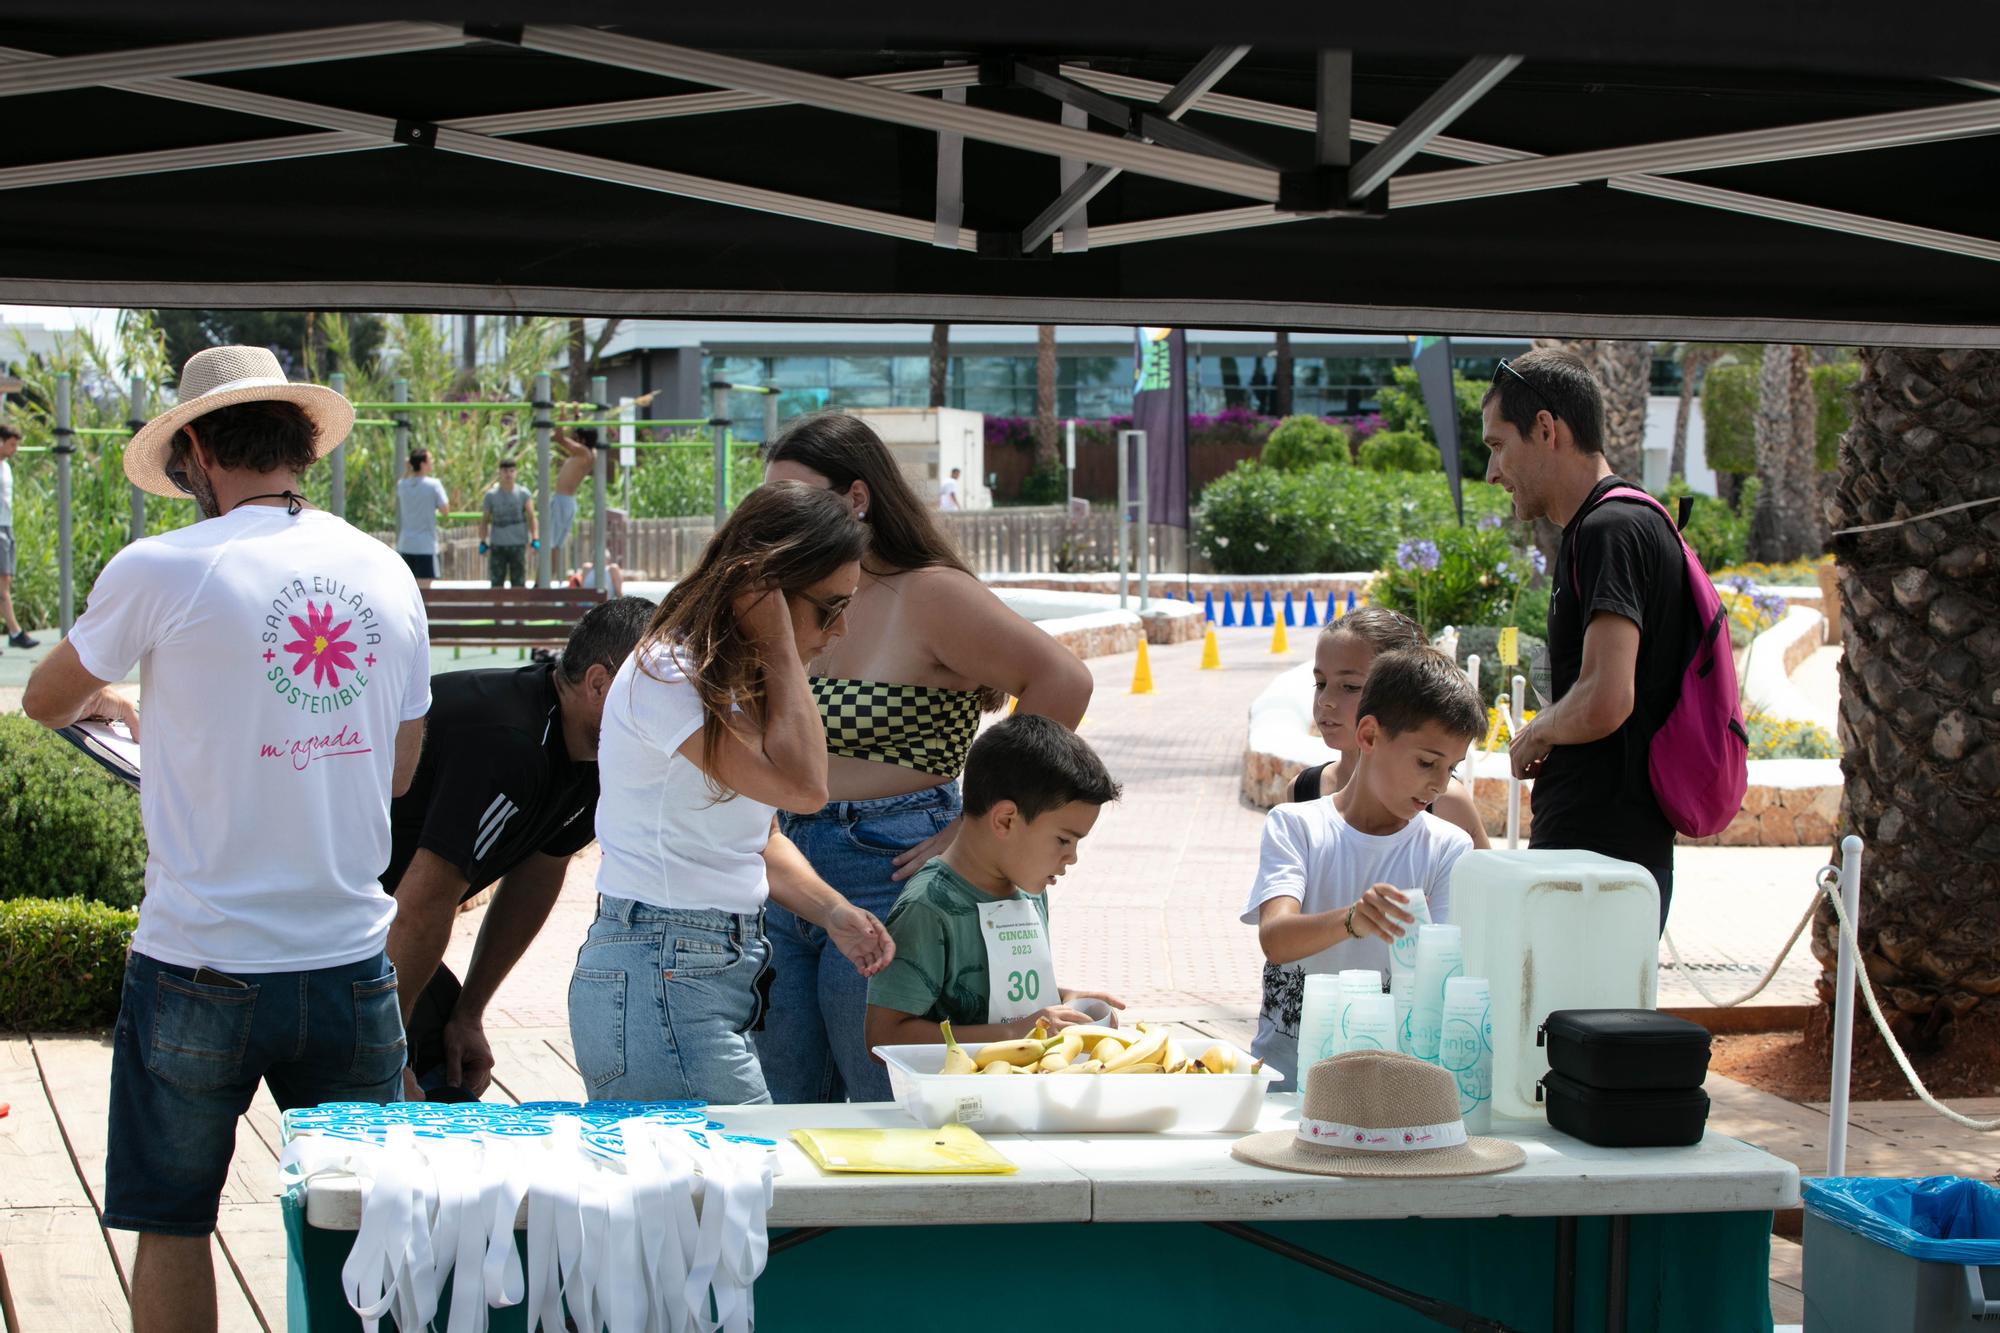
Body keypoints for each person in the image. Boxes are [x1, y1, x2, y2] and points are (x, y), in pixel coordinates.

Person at [21, 346, 430, 1333]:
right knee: (364, 1220)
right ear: (298, 440)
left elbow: (44, 700)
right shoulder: (382, 568)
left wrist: (128, 701)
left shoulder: (163, 566)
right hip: (348, 959)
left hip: (198, 960)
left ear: (196, 449)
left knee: (172, 1222)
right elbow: (401, 770)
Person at [758, 411, 1093, 1103]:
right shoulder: (790, 597)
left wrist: (964, 826)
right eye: (771, 500)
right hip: (784, 866)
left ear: (857, 497)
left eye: (798, 497)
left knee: (889, 1097)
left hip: (890, 859)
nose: (778, 516)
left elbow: (1064, 678)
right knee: (782, 1100)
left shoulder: (928, 591)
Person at [570, 480, 895, 1105]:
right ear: (760, 590)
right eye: (828, 607)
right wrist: (778, 644)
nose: (842, 628)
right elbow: (804, 789)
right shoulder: (669, 674)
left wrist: (833, 912)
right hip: (663, 968)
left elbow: (759, 834)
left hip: (695, 970)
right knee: (748, 1186)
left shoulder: (724, 680)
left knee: (726, 1192)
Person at [383, 595, 654, 1100]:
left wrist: (469, 1012)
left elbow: (537, 876)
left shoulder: (598, 754)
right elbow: (423, 904)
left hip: (379, 916)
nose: (676, 713)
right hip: (307, 917)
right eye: (662, 694)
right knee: (431, 1090)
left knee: (452, 1075)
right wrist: (389, 1055)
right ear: (599, 684)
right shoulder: (512, 741)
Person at [1481, 349, 1691, 923]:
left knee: (1566, 1013)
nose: (1492, 472)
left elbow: (1607, 697)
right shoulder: (1606, 526)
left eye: (1498, 446)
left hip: (1599, 851)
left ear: (1546, 429)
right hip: (1606, 849)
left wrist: (1535, 732)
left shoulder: (1611, 529)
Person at [1244, 648, 1484, 1090]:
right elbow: (1276, 940)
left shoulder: (1448, 847)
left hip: (1390, 1087)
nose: (1438, 783)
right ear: (1370, 736)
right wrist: (1353, 920)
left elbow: (1447, 981)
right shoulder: (1296, 826)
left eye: (1450, 769)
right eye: (1426, 762)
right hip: (1287, 1080)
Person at [864, 714, 1124, 1049]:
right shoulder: (927, 906)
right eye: (1063, 840)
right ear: (1005, 820)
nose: (1072, 857)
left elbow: (995, 995)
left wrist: (1063, 1001)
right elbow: (883, 1037)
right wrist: (1016, 1034)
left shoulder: (1028, 889)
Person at [1291, 607, 1488, 849]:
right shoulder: (1304, 791)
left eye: (1350, 686)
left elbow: (1483, 885)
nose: (1325, 700)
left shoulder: (1445, 803)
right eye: (1321, 683)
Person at [0, 424, 37, 648]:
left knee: (6, 583)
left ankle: (14, 633)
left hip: (7, 525)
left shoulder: (6, 467)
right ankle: (15, 631)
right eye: (12, 444)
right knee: (2, 585)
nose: (15, 449)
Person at [395, 449, 451, 587]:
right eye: (430, 460)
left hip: (405, 544)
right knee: (425, 592)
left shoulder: (403, 485)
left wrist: (408, 469)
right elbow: (445, 510)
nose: (432, 463)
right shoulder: (434, 485)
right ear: (423, 463)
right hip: (426, 546)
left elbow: (401, 481)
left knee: (406, 588)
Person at [479, 459, 537, 588]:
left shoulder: (523, 493)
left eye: (512, 471)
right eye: (505, 471)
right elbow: (485, 520)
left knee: (519, 583)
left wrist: (535, 539)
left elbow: (531, 517)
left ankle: (519, 609)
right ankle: (497, 608)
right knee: (496, 585)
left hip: (518, 545)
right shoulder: (491, 496)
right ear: (499, 472)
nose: (508, 474)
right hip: (498, 545)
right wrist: (483, 541)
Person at [548, 429, 595, 572]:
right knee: (554, 545)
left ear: (582, 441)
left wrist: (562, 414)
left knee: (550, 543)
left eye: (576, 438)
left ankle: (542, 582)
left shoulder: (583, 453)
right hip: (566, 501)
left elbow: (559, 438)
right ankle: (545, 582)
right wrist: (576, 417)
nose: (573, 441)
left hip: (562, 501)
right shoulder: (590, 454)